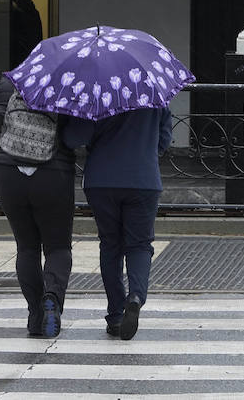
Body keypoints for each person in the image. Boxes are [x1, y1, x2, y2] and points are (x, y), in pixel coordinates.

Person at [62, 106, 172, 339]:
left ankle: (115, 314)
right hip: (143, 178)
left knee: (111, 245)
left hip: (101, 180)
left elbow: (74, 137)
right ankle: (135, 297)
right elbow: (163, 141)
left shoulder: (98, 93)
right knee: (140, 245)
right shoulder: (154, 94)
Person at [0, 74, 76, 337]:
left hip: (8, 171)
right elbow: (74, 134)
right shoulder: (67, 84)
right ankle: (52, 299)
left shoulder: (9, 83)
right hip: (53, 172)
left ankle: (35, 314)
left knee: (26, 247)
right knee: (58, 246)